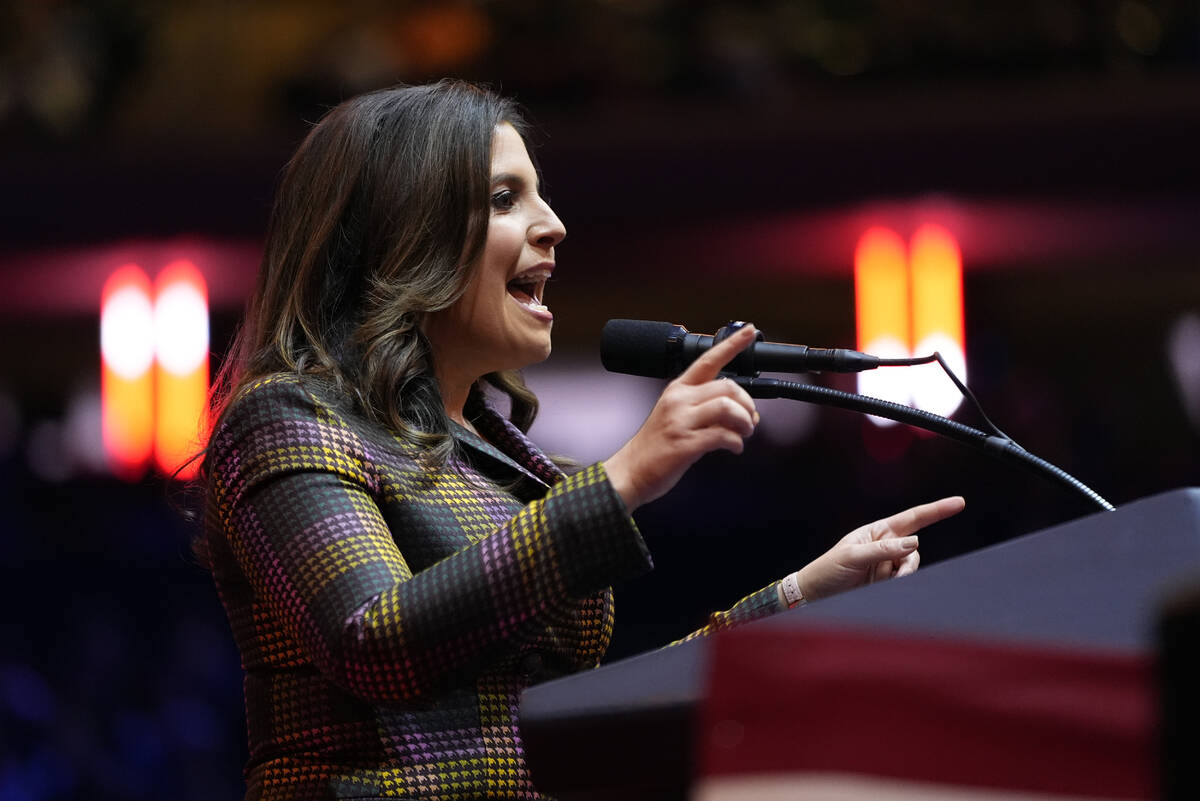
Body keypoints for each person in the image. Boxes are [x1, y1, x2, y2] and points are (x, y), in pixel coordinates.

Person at [201, 80, 964, 801]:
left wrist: (801, 596)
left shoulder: (512, 464)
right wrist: (621, 478)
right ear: (401, 236)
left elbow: (587, 710)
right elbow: (377, 642)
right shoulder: (285, 419)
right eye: (505, 198)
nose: (554, 224)